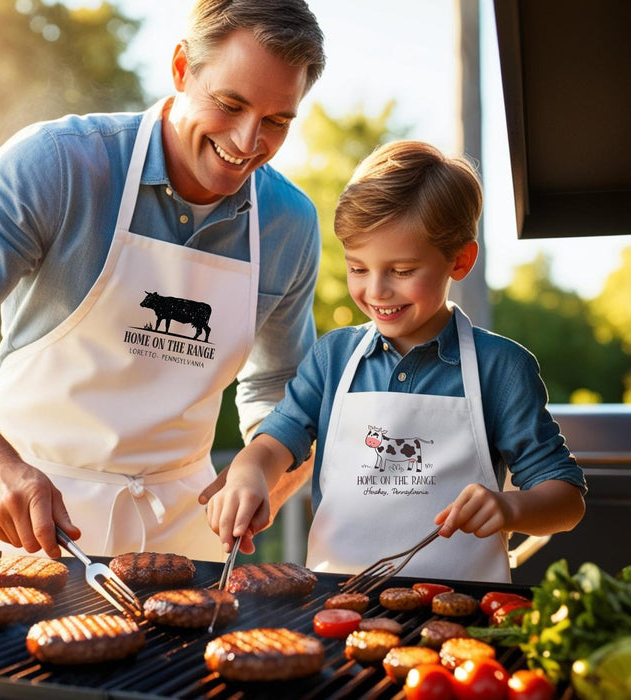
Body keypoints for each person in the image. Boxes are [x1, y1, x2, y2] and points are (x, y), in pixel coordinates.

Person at [0, 0, 326, 561]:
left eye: (277, 121)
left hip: (187, 538)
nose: (246, 141)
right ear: (182, 68)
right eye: (230, 103)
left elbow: (282, 390)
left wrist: (265, 474)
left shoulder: (289, 223)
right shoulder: (59, 165)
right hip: (27, 523)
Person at [206, 140, 587, 583]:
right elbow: (274, 444)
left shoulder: (500, 367)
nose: (377, 291)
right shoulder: (333, 358)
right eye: (358, 268)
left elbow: (567, 500)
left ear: (460, 260)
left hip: (463, 619)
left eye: (402, 271)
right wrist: (250, 472)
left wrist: (510, 507)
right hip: (336, 609)